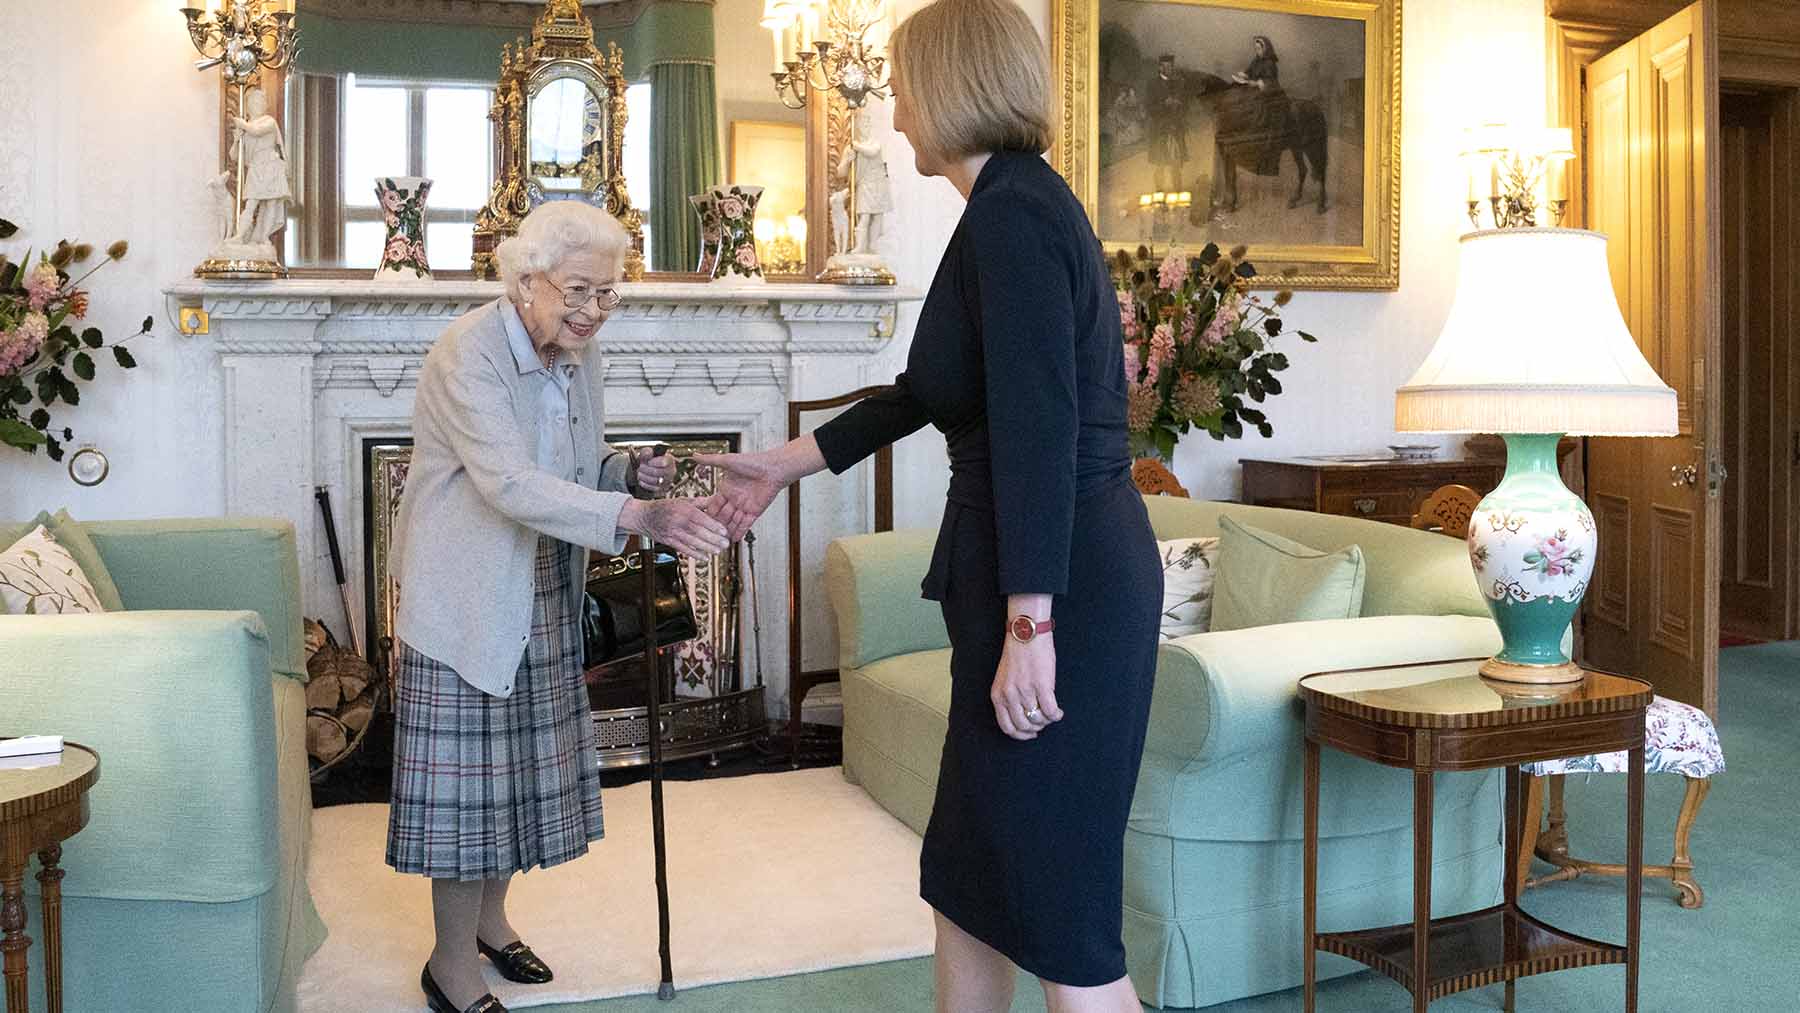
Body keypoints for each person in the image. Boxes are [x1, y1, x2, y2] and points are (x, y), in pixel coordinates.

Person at [699, 1, 1161, 1010]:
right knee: (968, 878)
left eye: (906, 86)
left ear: (952, 86)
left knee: (1061, 917)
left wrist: (1031, 621)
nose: (896, 109)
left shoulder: (1015, 214)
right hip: (1027, 574)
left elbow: (1039, 427)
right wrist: (789, 461)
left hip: (1063, 591)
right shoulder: (1001, 208)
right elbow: (931, 390)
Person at [387, 200, 731, 1013]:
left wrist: (622, 473)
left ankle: (492, 921)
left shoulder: (578, 353)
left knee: (511, 782)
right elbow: (507, 481)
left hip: (542, 586)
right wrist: (636, 518)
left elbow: (573, 461)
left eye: (608, 294)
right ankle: (449, 964)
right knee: (468, 795)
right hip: (467, 595)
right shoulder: (467, 354)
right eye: (579, 291)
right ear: (526, 281)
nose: (592, 312)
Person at [230, 86, 290, 246]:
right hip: (256, 168)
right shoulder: (246, 126)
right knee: (251, 203)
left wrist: (243, 124)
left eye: (261, 101)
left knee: (271, 203)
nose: (258, 104)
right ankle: (239, 236)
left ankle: (264, 237)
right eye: (255, 102)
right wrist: (236, 140)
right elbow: (234, 156)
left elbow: (256, 131)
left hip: (270, 166)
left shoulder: (268, 121)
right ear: (249, 105)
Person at [1231, 35, 1287, 174]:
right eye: (1255, 49)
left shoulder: (1269, 63)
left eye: (1258, 48)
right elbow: (1249, 71)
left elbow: (1269, 82)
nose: (1257, 51)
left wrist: (1253, 83)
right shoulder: (1256, 60)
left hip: (1270, 94)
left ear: (1265, 48)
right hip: (1256, 92)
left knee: (1260, 112)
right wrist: (1242, 75)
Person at [1146, 53, 1189, 193]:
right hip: (1159, 130)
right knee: (1160, 164)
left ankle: (1178, 193)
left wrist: (1179, 105)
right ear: (1159, 67)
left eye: (1170, 66)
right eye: (1165, 66)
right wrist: (1164, 104)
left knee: (1176, 164)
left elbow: (1186, 106)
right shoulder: (1152, 85)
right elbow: (1149, 108)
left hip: (1175, 128)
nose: (1168, 68)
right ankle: (1159, 195)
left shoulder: (1179, 83)